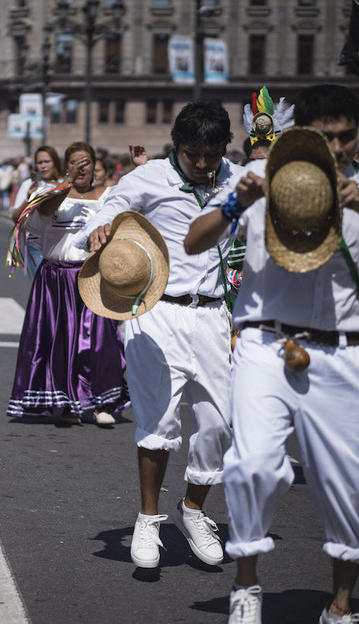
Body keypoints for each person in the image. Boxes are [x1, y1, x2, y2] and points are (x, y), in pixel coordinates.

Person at [185, 85, 359, 624]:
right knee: (252, 466)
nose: (334, 146)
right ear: (301, 135)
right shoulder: (251, 181)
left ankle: (339, 606)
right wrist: (241, 201)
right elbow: (195, 241)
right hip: (265, 346)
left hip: (342, 354)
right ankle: (247, 587)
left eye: (344, 136)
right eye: (323, 136)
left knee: (347, 486)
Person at [78, 100, 241, 571]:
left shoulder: (235, 177)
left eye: (211, 154)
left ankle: (192, 510)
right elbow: (108, 208)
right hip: (156, 314)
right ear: (177, 145)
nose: (203, 164)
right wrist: (100, 228)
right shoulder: (146, 179)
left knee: (220, 423)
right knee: (160, 422)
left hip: (211, 314)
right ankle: (148, 519)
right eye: (193, 154)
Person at [7, 142, 127, 426]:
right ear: (66, 166)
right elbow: (45, 212)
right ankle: (65, 401)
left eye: (86, 162)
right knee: (58, 341)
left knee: (100, 342)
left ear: (96, 166)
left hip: (94, 277)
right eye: (75, 162)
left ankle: (102, 404)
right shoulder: (49, 194)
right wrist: (66, 182)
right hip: (56, 279)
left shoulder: (109, 197)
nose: (81, 167)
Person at [12, 146, 64, 272]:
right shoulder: (28, 185)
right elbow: (15, 218)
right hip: (36, 245)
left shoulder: (65, 184)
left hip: (60, 245)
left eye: (47, 161)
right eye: (40, 162)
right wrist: (29, 198)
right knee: (43, 287)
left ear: (55, 162)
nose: (43, 166)